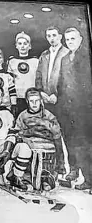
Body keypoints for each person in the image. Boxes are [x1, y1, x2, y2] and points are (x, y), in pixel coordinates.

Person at [56, 27, 92, 193]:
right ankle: (80, 174)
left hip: (83, 110)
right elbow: (61, 84)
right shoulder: (64, 59)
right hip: (67, 109)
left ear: (80, 39)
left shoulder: (86, 57)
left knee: (85, 145)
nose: (70, 42)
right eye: (67, 39)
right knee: (72, 143)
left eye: (73, 39)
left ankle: (90, 179)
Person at [14, 87, 65, 191]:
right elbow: (16, 133)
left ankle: (47, 177)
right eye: (31, 101)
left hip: (45, 147)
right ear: (27, 101)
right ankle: (21, 175)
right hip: (30, 146)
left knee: (50, 151)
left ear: (41, 101)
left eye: (37, 100)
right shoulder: (23, 116)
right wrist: (29, 133)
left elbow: (57, 133)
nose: (34, 104)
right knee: (24, 148)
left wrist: (45, 124)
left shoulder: (48, 115)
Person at [35, 26, 69, 114]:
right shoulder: (44, 55)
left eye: (54, 35)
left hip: (62, 99)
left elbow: (68, 79)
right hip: (45, 98)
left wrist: (58, 95)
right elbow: (38, 75)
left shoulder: (67, 53)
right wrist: (40, 92)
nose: (52, 38)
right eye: (49, 36)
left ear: (60, 36)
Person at [7, 31, 39, 118]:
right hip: (18, 98)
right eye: (20, 43)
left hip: (33, 98)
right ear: (16, 46)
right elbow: (9, 82)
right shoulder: (12, 61)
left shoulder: (36, 61)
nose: (22, 46)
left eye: (25, 43)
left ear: (30, 46)